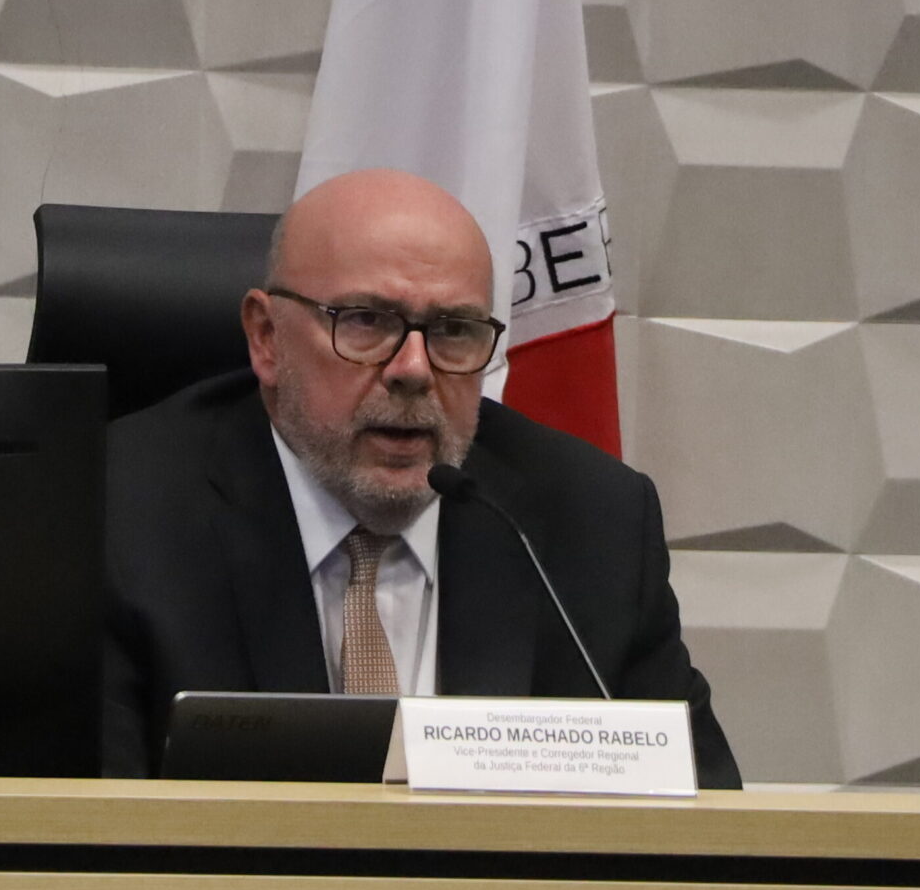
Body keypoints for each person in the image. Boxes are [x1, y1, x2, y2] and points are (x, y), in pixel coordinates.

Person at [103, 169, 741, 787]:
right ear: (267, 338)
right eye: (365, 321)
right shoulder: (112, 513)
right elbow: (76, 836)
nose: (413, 369)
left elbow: (702, 827)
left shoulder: (592, 523)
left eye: (453, 331)